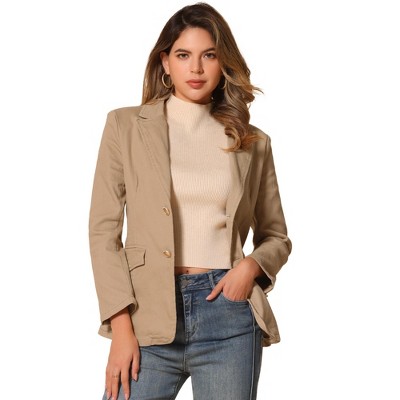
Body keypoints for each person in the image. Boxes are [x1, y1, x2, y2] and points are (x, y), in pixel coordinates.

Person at [89, 3, 292, 399]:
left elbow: (276, 236)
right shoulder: (124, 126)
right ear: (165, 62)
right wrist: (122, 329)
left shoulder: (253, 142)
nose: (196, 68)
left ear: (223, 63)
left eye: (209, 55)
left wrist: (249, 267)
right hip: (146, 314)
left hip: (228, 315)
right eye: (183, 55)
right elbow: (103, 234)